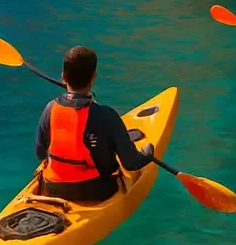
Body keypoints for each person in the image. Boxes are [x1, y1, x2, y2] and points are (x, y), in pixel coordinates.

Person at [34, 46, 154, 202]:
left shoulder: (50, 109)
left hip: (53, 188)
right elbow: (131, 163)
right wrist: (148, 154)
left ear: (64, 77)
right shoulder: (107, 115)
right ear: (93, 77)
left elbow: (40, 154)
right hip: (95, 191)